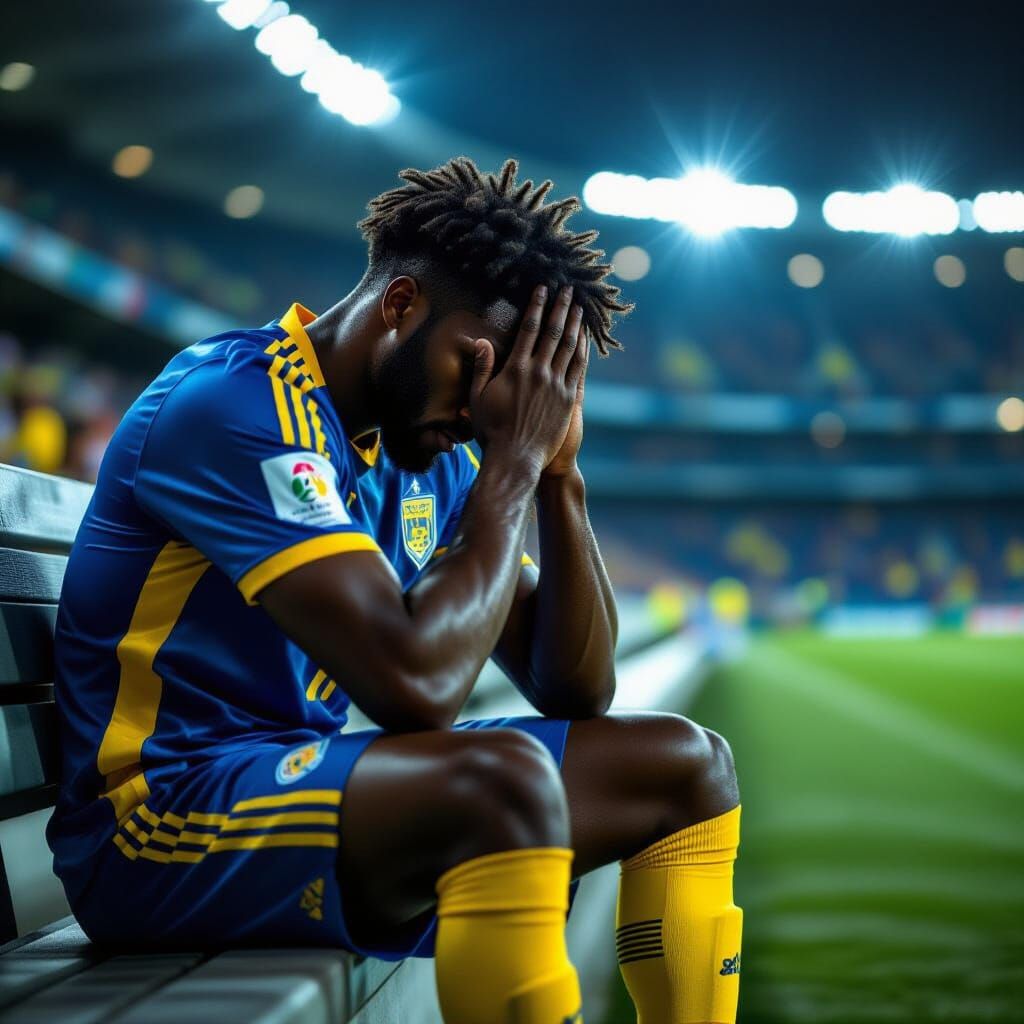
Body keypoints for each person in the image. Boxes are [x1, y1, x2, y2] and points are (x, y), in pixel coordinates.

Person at [48, 157, 741, 1024]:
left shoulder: (432, 458)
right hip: (156, 824)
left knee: (687, 767)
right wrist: (513, 467)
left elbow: (574, 686)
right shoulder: (234, 405)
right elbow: (415, 690)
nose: (483, 407)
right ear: (401, 305)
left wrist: (558, 473)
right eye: (476, 364)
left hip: (287, 787)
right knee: (503, 783)